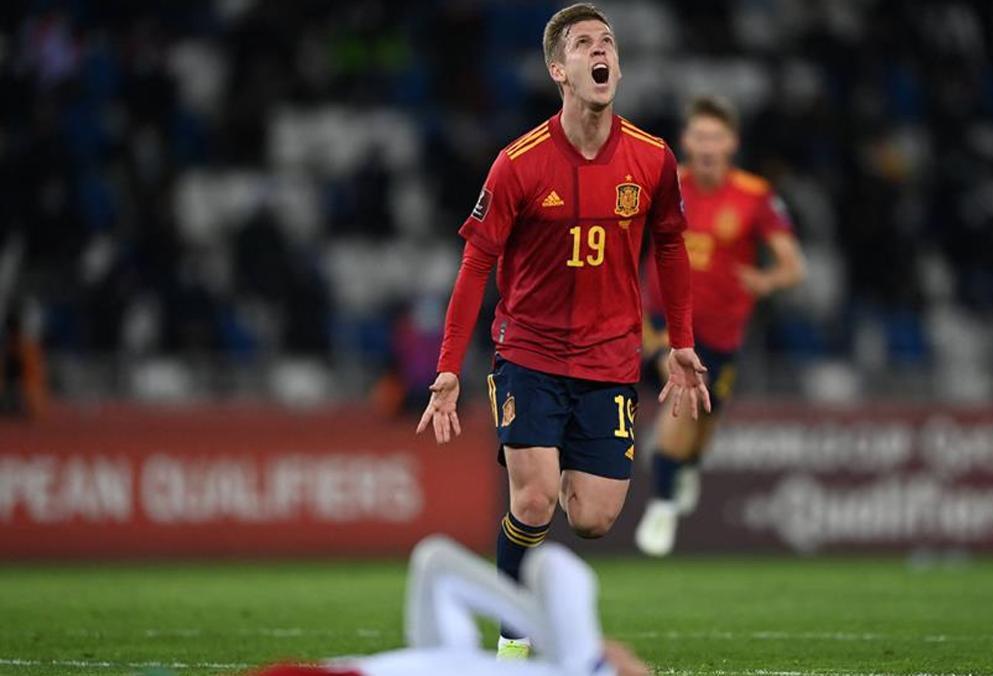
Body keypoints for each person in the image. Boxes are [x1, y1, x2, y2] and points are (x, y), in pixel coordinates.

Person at [414, 3, 711, 657]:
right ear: (560, 69)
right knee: (537, 499)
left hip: (609, 361)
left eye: (608, 42)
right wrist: (446, 364)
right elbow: (475, 264)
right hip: (530, 354)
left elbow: (670, 247)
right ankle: (513, 640)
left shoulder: (653, 160)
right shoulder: (518, 164)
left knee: (595, 518)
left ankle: (535, 581)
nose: (601, 51)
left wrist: (682, 340)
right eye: (584, 43)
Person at [634, 96, 805, 557]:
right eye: (699, 136)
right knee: (683, 399)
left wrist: (765, 280)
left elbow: (794, 266)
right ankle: (663, 503)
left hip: (723, 331)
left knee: (705, 420)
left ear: (732, 143)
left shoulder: (756, 196)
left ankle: (685, 463)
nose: (707, 145)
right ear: (686, 141)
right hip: (665, 321)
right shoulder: (663, 184)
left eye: (716, 137)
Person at [254, 536, 650, 676]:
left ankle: (584, 657)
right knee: (554, 565)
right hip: (573, 667)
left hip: (442, 662)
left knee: (435, 562)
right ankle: (587, 660)